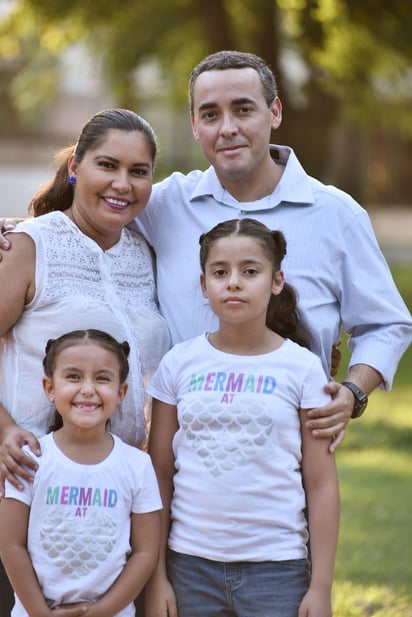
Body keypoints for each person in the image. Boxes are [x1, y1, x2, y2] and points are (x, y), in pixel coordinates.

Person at [2, 52, 410, 446]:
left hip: (287, 455)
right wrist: (19, 233)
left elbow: (386, 324)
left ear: (275, 113)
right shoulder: (166, 203)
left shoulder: (336, 215)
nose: (227, 127)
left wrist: (353, 392)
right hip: (174, 459)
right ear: (195, 125)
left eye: (244, 109)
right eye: (211, 114)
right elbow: (90, 216)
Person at [0, 108, 170, 615]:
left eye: (139, 171)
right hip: (30, 488)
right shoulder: (34, 244)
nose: (123, 184)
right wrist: (4, 429)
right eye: (107, 165)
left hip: (113, 498)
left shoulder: (144, 252)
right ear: (75, 165)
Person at [145, 218, 340, 617]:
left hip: (278, 570)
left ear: (276, 280)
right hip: (188, 567)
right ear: (203, 285)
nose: (233, 282)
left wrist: (320, 587)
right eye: (220, 272)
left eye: (250, 271)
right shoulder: (179, 363)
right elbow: (159, 474)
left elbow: (320, 484)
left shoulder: (301, 368)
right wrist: (157, 577)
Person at [0, 328, 162, 617]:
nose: (88, 389)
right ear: (49, 388)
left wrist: (100, 612)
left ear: (121, 392)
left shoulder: (137, 465)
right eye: (73, 376)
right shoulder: (31, 459)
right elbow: (10, 544)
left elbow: (145, 553)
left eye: (102, 378)